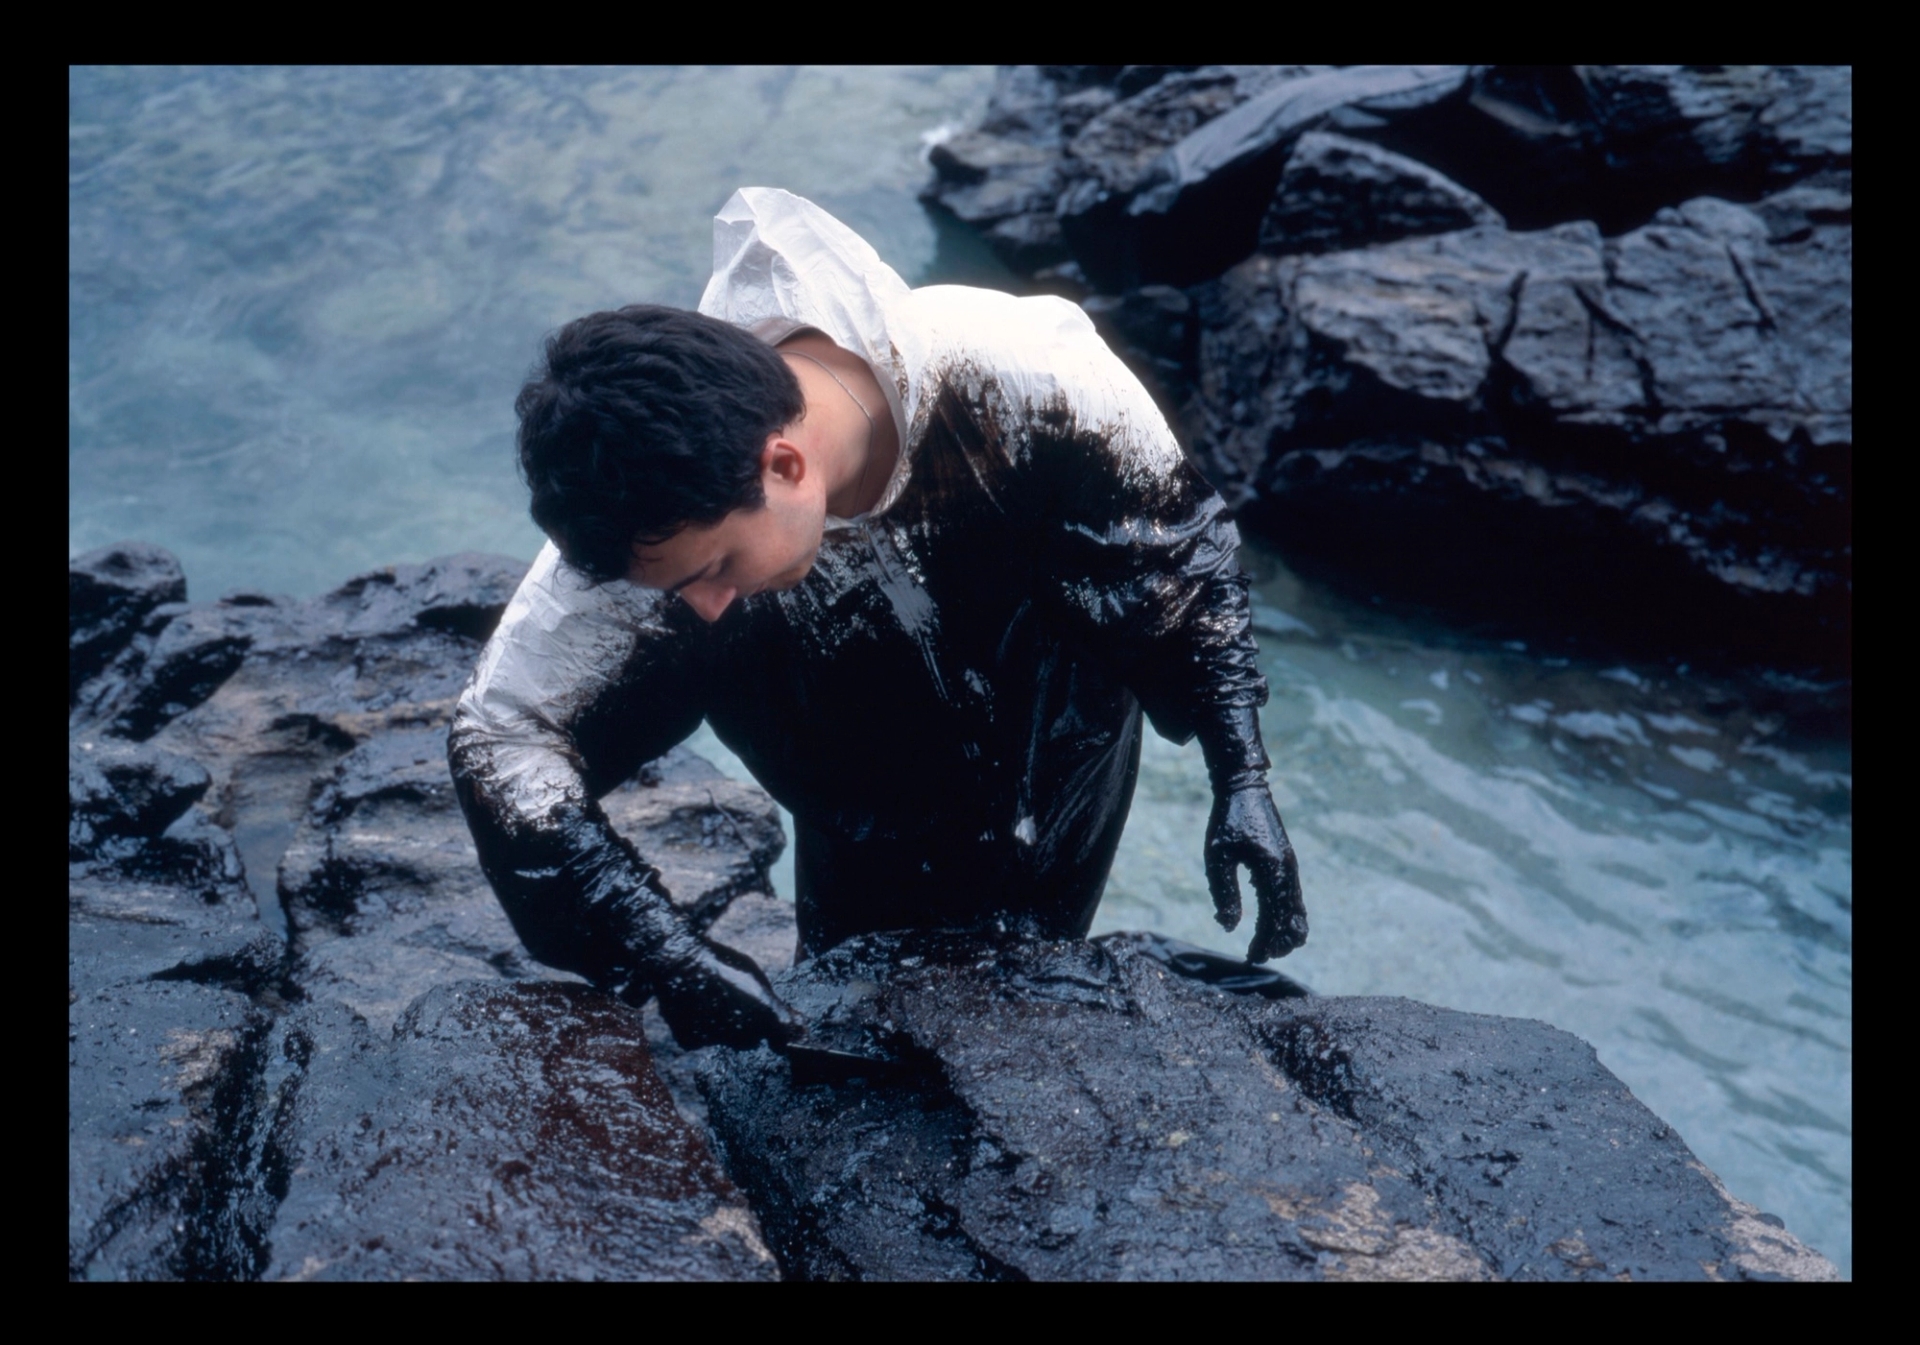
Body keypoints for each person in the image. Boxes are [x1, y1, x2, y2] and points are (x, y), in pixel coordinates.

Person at [449, 187, 1307, 1050]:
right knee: (854, 1023)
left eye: (714, 570)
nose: (702, 605)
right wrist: (667, 956)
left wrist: (1241, 777)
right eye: (678, 589)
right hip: (852, 807)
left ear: (785, 464)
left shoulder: (1033, 375)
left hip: (1065, 755)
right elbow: (500, 737)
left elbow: (1179, 558)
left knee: (1033, 1004)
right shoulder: (647, 511)